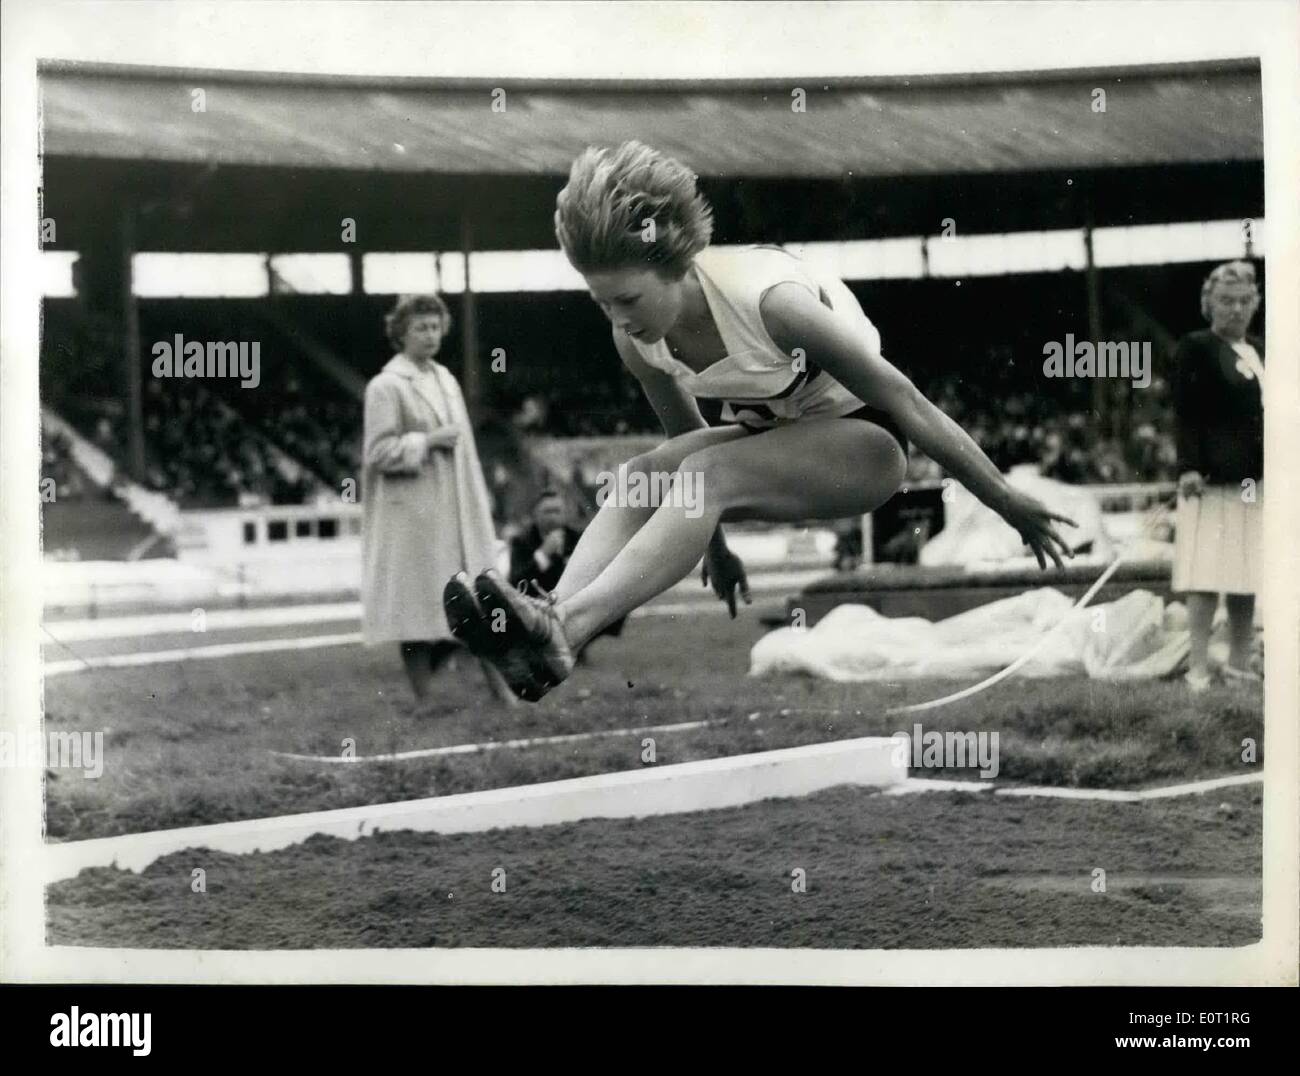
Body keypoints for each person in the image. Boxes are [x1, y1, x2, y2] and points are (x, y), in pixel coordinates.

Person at [443, 140, 1074, 701]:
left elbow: (906, 400)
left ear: (680, 267)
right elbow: (680, 442)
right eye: (600, 300)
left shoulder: (771, 303)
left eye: (628, 298)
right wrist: (710, 544)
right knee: (640, 475)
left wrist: (1004, 499)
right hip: (779, 437)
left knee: (704, 474)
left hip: (871, 445)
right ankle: (550, 620)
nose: (617, 315)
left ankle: (564, 633)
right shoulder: (635, 338)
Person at [361, 293, 515, 706]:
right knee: (415, 611)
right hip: (413, 517)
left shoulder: (446, 379)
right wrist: (425, 442)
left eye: (434, 327)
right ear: (401, 333)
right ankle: (424, 700)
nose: (429, 335)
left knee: (475, 601)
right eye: (420, 328)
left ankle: (503, 693)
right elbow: (377, 454)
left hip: (456, 510)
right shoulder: (386, 386)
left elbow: (463, 453)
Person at [1170, 260, 1265, 692]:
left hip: (1254, 482)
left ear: (1256, 304)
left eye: (1245, 301)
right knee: (1205, 577)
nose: (1236, 310)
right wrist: (1188, 466)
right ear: (1209, 304)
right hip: (1209, 480)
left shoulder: (1261, 351)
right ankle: (1199, 670)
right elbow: (1187, 412)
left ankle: (1240, 664)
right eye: (1227, 301)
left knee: (1247, 576)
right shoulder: (1197, 347)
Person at [508, 489, 626, 660]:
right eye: (547, 511)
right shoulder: (522, 541)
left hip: (569, 600)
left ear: (565, 514)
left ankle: (577, 644)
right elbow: (516, 582)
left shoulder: (577, 538)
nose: (553, 517)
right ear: (535, 515)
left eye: (557, 511)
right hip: (536, 603)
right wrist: (542, 556)